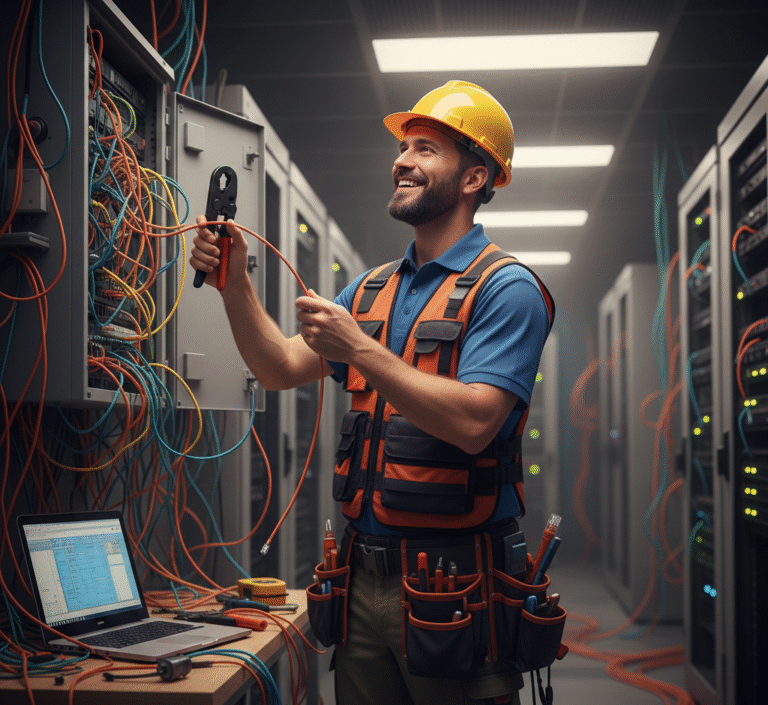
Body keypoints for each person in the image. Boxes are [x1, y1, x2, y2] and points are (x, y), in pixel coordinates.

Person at [191, 81, 555, 705]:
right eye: (403, 146)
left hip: (457, 582)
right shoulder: (369, 289)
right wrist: (233, 284)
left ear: (474, 178)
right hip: (361, 579)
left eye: (425, 149)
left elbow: (475, 423)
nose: (403, 161)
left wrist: (358, 349)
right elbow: (279, 366)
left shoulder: (508, 289)